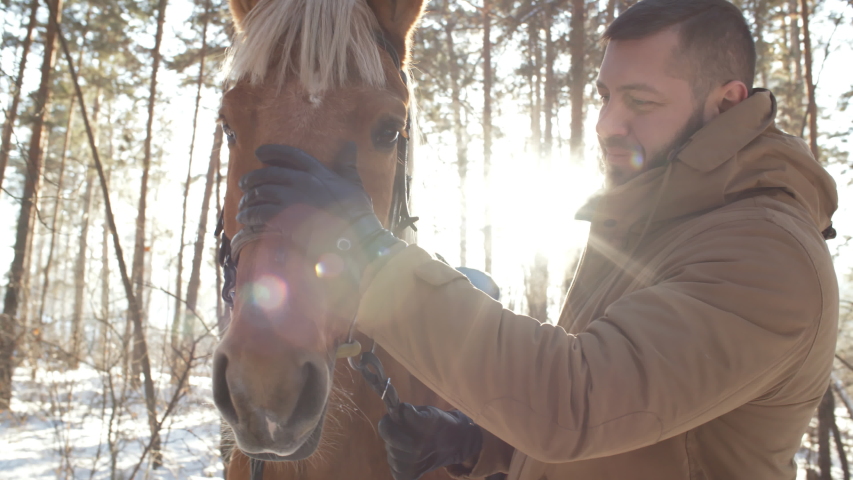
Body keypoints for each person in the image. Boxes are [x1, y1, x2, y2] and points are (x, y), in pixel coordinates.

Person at [236, 0, 840, 478]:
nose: (607, 124)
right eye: (605, 95)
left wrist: (366, 255)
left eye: (641, 101)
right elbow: (636, 419)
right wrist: (481, 443)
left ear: (725, 102)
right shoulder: (653, 227)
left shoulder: (765, 255)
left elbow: (576, 403)